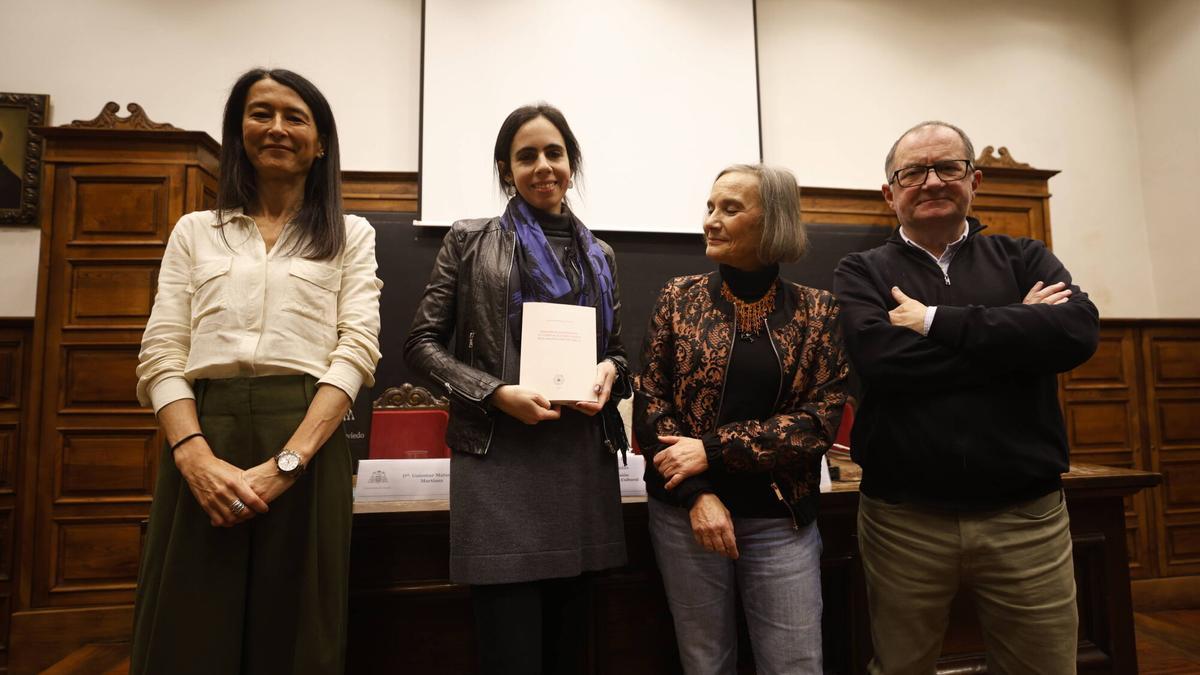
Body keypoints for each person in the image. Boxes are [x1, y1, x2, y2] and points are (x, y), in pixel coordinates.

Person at [132, 67, 382, 675]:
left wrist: (286, 465)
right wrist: (192, 456)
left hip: (307, 441)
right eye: (260, 113)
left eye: (295, 116)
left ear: (320, 142)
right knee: (186, 628)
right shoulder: (195, 232)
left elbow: (355, 350)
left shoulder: (349, 235)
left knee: (296, 634)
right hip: (202, 436)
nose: (276, 127)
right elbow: (162, 352)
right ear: (238, 130)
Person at [833, 121, 1099, 674]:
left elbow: (1075, 334)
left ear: (974, 181)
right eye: (913, 172)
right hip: (904, 519)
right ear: (890, 192)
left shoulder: (1025, 255)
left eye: (948, 168)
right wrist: (1020, 330)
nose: (931, 182)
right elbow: (884, 362)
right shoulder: (861, 271)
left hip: (1026, 516)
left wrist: (932, 321)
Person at [404, 103, 630, 675]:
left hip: (579, 460)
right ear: (507, 169)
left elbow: (620, 352)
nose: (542, 166)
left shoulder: (600, 255)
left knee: (570, 648)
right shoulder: (468, 240)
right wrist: (493, 392)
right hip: (498, 459)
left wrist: (611, 372)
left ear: (571, 164)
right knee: (512, 650)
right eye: (526, 156)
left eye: (554, 153)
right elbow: (421, 345)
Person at [634, 164, 848, 675]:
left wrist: (711, 448)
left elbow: (818, 423)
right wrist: (699, 493)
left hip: (781, 520)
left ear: (772, 221)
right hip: (686, 514)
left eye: (730, 209)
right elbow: (650, 405)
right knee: (706, 662)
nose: (711, 219)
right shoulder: (677, 296)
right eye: (710, 207)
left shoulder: (818, 312)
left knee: (795, 663)